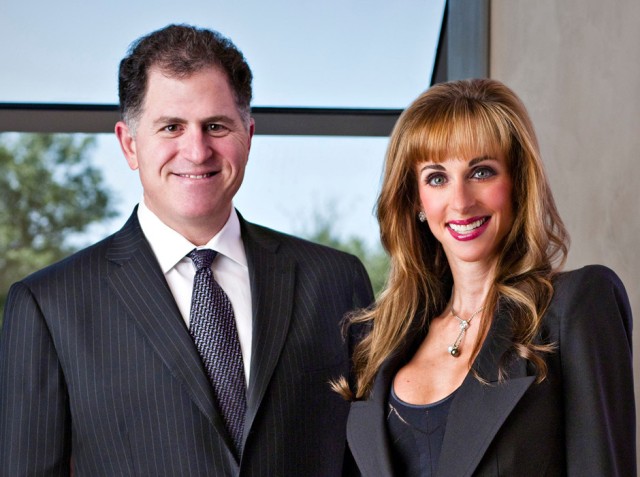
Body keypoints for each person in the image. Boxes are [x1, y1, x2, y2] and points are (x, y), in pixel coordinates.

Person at [0, 24, 373, 476]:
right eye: (171, 127)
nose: (196, 151)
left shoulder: (336, 281)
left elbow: (366, 459)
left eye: (216, 126)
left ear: (248, 136)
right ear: (129, 144)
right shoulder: (49, 305)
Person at [339, 78, 635, 476]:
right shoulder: (380, 340)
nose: (461, 202)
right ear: (415, 200)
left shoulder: (576, 306)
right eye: (437, 178)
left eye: (481, 172)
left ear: (517, 183)